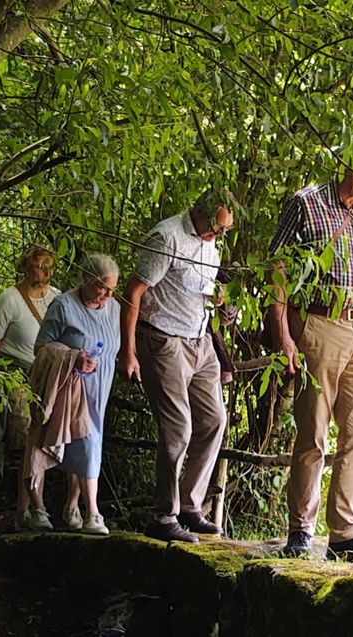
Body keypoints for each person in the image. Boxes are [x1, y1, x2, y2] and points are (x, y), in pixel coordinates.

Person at [268, 134, 353, 561]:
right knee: (313, 433)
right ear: (345, 162)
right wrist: (284, 333)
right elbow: (278, 269)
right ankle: (300, 530)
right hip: (321, 323)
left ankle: (345, 532)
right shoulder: (306, 203)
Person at [119, 188, 233, 544]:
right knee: (178, 428)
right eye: (216, 227)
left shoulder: (212, 246)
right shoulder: (166, 236)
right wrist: (129, 351)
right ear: (199, 212)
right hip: (164, 339)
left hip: (200, 340)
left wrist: (222, 306)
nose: (219, 235)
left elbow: (203, 291)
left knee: (214, 420)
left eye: (225, 230)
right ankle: (163, 515)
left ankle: (189, 505)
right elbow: (133, 292)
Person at [25, 254, 120, 535]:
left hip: (99, 390)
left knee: (90, 445)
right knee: (61, 441)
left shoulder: (113, 308)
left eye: (112, 289)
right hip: (65, 389)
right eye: (102, 288)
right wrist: (72, 358)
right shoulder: (63, 306)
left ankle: (74, 506)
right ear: (86, 280)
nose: (106, 295)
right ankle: (81, 511)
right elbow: (41, 348)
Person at [0, 246, 61, 529]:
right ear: (25, 267)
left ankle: (24, 510)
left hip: (48, 378)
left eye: (48, 267)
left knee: (42, 442)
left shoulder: (57, 299)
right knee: (27, 442)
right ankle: (37, 506)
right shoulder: (9, 299)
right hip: (17, 378)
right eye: (39, 267)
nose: (44, 273)